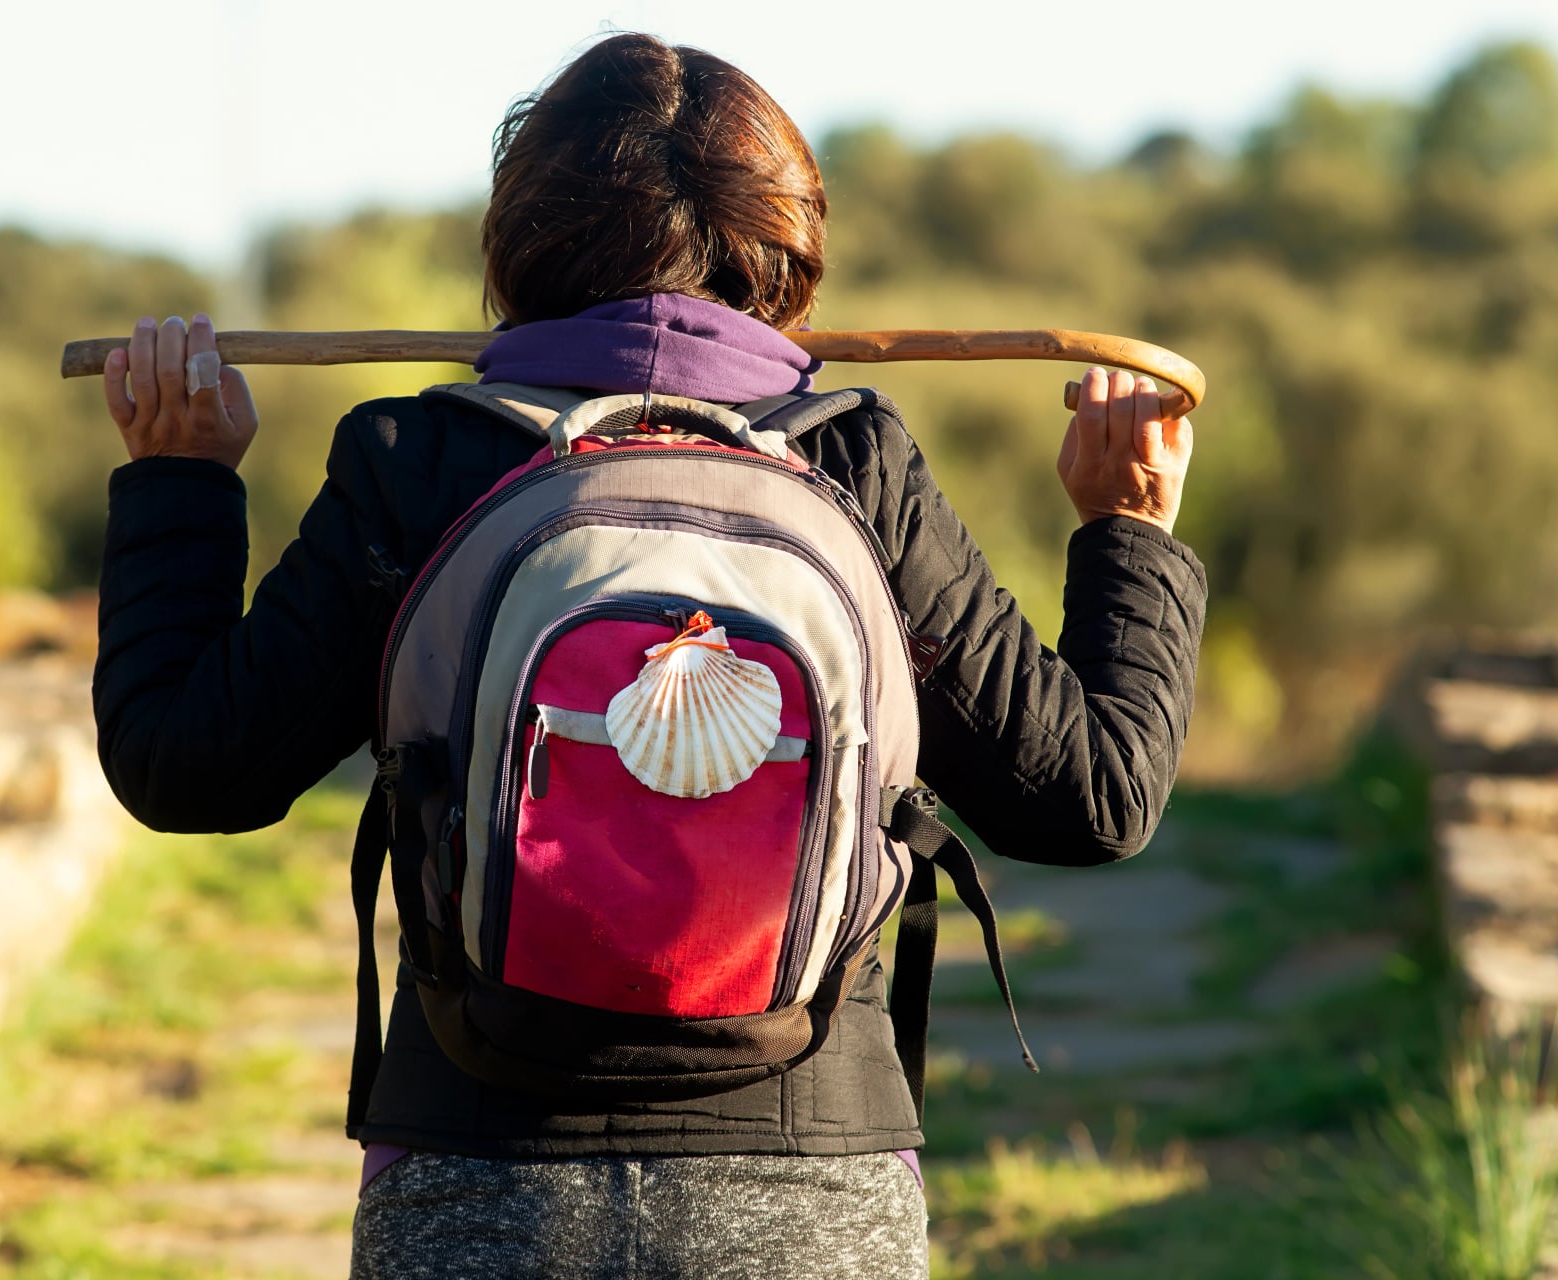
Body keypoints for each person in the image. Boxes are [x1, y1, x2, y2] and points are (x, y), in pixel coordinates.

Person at [93, 32, 1203, 1280]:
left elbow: (184, 766)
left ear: (521, 241)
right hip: (807, 1179)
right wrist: (1128, 529)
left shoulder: (422, 463)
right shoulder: (854, 469)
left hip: (477, 1168)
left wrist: (178, 479)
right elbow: (1094, 797)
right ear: (786, 254)